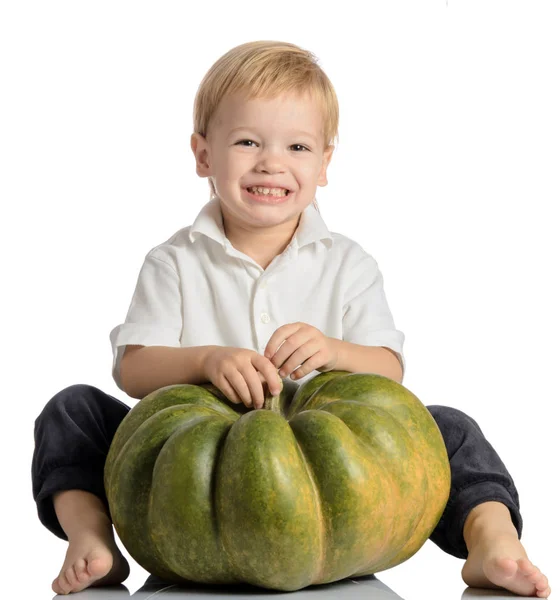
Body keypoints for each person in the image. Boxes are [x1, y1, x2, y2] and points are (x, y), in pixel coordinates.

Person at [32, 40, 550, 598]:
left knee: (448, 429)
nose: (270, 162)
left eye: (297, 146)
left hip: (328, 465)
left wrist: (334, 351)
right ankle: (92, 540)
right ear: (203, 155)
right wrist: (206, 359)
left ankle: (491, 540)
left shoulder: (347, 263)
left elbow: (387, 371)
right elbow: (133, 370)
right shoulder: (174, 262)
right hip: (192, 466)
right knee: (71, 412)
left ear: (325, 164)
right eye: (247, 141)